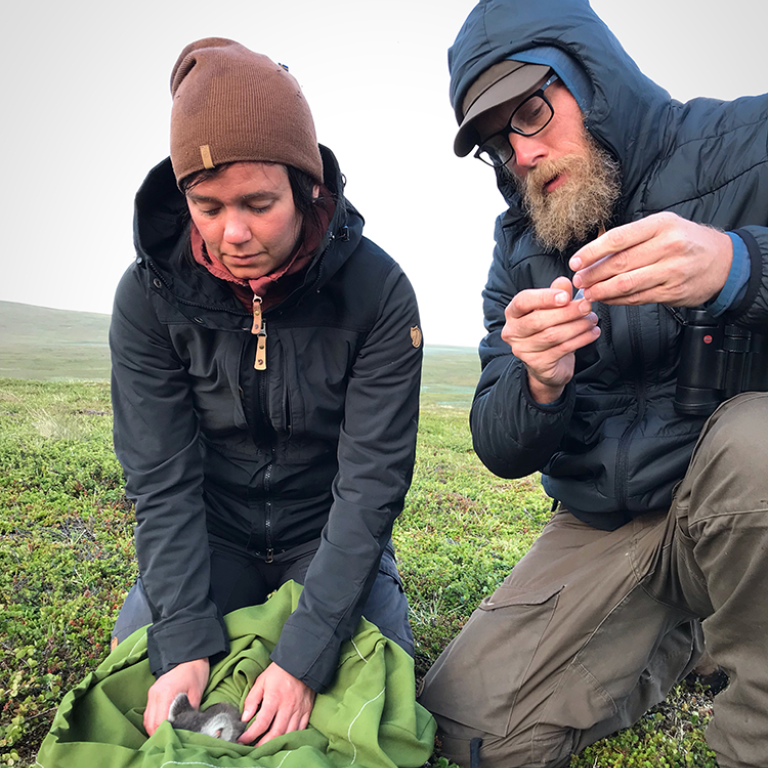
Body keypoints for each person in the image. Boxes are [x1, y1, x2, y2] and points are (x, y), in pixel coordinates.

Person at [417, 2, 768, 767]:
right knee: (474, 734)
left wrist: (741, 267)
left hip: (740, 496)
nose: (525, 149)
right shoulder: (519, 247)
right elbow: (497, 441)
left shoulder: (751, 142)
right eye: (498, 139)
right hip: (609, 525)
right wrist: (538, 383)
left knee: (757, 447)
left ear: (594, 78)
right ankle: (674, 639)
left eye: (534, 108)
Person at [109, 37, 422, 747]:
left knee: (385, 703)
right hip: (212, 538)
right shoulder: (147, 299)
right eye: (208, 206)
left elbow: (371, 486)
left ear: (308, 187)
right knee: (137, 692)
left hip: (328, 538)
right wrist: (184, 636)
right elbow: (161, 482)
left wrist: (303, 657)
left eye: (258, 202)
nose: (234, 233)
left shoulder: (380, 293)